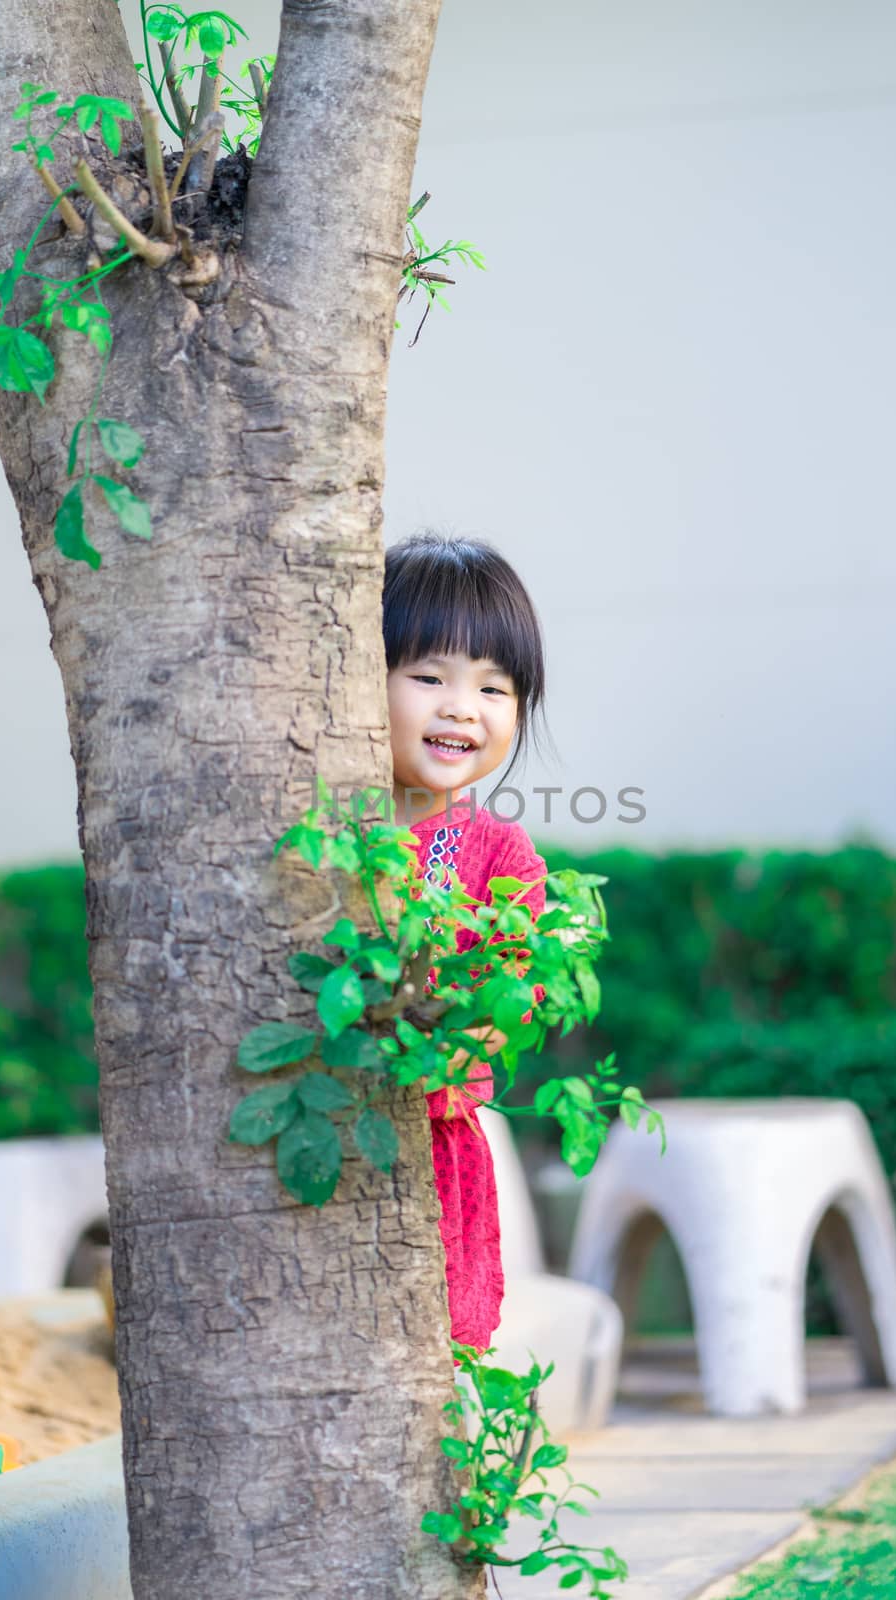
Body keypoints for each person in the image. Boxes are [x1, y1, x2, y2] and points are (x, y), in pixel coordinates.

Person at [383, 531, 551, 1356]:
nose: (462, 707)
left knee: (431, 1360)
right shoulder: (327, 833)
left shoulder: (503, 859)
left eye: (495, 686)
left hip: (435, 1148)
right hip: (323, 1134)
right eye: (428, 677)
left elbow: (508, 1002)